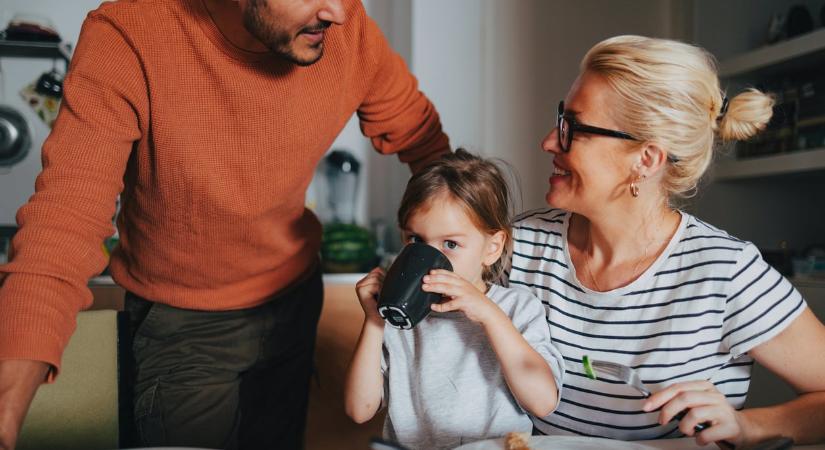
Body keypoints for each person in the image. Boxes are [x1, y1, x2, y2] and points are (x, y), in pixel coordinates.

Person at [0, 0, 451, 448]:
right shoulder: (129, 35)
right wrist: (14, 383)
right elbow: (66, 214)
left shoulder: (346, 29)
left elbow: (424, 141)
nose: (337, 10)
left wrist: (460, 252)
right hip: (183, 322)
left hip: (293, 300)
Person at [508, 35, 825, 447]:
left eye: (574, 127)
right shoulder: (518, 245)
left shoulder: (725, 271)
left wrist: (749, 427)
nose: (550, 141)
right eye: (559, 120)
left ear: (647, 159)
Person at [344, 149, 564, 449]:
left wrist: (490, 315)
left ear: (492, 248)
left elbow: (543, 402)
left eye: (451, 243)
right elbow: (359, 410)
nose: (430, 257)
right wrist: (374, 321)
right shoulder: (399, 317)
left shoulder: (517, 309)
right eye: (416, 240)